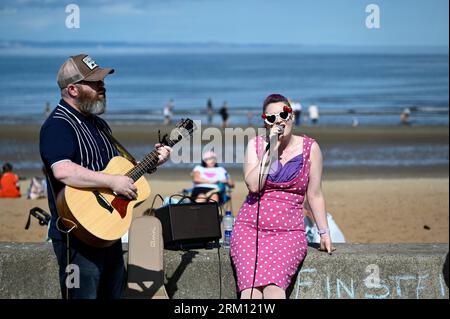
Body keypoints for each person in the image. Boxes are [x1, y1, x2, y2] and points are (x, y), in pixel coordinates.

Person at [39, 54, 172, 299]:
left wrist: (153, 162)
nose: (103, 87)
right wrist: (111, 182)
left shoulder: (100, 126)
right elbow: (63, 170)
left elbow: (121, 171)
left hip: (107, 233)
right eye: (95, 82)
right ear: (72, 89)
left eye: (102, 81)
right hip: (77, 237)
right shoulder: (58, 125)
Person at [230, 94, 334, 299]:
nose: (279, 120)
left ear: (292, 116)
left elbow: (314, 195)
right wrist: (272, 149)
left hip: (288, 232)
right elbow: (253, 185)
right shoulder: (256, 145)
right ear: (266, 123)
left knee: (274, 291)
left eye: (283, 114)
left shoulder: (310, 148)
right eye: (271, 118)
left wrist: (324, 232)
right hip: (250, 229)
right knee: (250, 293)